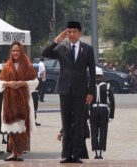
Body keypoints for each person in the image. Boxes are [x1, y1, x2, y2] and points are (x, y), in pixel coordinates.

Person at [42, 21, 96, 163]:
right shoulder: (61, 47)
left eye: (74, 31)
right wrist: (56, 40)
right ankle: (66, 154)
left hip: (80, 91)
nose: (71, 34)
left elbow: (92, 71)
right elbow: (45, 53)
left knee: (78, 122)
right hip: (65, 89)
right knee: (65, 121)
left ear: (80, 33)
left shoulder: (88, 49)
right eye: (69, 31)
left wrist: (91, 92)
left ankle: (77, 153)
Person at [0, 41, 38, 161]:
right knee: (11, 127)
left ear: (21, 51)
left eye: (17, 50)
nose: (15, 53)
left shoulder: (28, 65)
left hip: (23, 101)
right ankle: (13, 152)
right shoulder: (7, 66)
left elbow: (35, 82)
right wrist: (8, 84)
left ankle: (19, 153)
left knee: (21, 127)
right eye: (13, 50)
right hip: (9, 101)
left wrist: (23, 83)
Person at [89, 67, 115, 159]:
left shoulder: (90, 86)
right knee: (103, 131)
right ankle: (101, 152)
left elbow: (87, 101)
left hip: (93, 110)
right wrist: (111, 115)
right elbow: (112, 102)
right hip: (104, 110)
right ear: (101, 76)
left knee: (94, 131)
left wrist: (87, 115)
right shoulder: (107, 86)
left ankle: (96, 152)